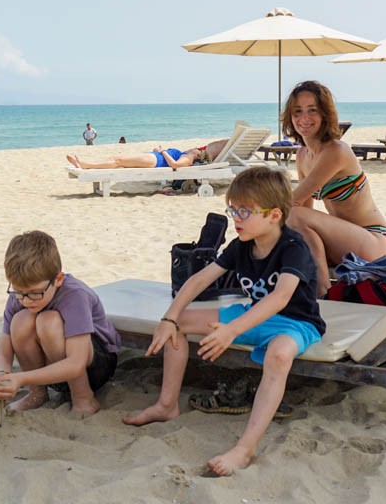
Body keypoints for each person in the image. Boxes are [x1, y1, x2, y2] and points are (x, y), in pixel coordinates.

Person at [123, 166, 324, 475]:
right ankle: (167, 405)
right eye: (233, 209)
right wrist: (169, 318)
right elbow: (198, 280)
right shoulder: (241, 245)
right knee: (178, 324)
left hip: (295, 322)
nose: (236, 218)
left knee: (280, 354)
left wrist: (232, 330)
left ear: (274, 215)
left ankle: (245, 449)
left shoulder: (293, 248)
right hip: (252, 316)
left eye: (245, 211)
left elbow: (281, 297)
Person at [0, 230, 121, 418]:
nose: (26, 300)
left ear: (58, 279)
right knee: (20, 321)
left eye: (35, 292)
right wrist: (0, 375)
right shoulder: (19, 296)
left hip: (95, 366)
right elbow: (3, 353)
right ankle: (37, 394)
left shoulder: (75, 295)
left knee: (48, 321)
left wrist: (21, 378)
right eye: (19, 291)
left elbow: (76, 363)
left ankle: (83, 397)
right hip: (55, 370)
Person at [282, 81, 386, 297]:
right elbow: (303, 210)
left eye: (312, 110)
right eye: (297, 111)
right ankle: (313, 293)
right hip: (342, 242)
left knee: (292, 215)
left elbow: (293, 201)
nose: (304, 118)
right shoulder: (303, 155)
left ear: (325, 114)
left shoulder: (336, 150)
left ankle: (322, 291)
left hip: (374, 242)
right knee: (294, 228)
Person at [67, 138, 225, 170]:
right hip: (156, 157)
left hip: (156, 160)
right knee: (116, 159)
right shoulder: (191, 154)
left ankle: (86, 165)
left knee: (119, 160)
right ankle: (86, 163)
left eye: (199, 150)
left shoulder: (189, 158)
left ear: (198, 155)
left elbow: (175, 165)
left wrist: (163, 151)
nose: (198, 148)